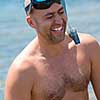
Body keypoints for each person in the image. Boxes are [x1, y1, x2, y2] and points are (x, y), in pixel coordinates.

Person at [5, 0, 100, 100]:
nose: (59, 21)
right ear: (31, 22)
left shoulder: (88, 48)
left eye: (61, 12)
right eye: (49, 16)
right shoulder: (23, 71)